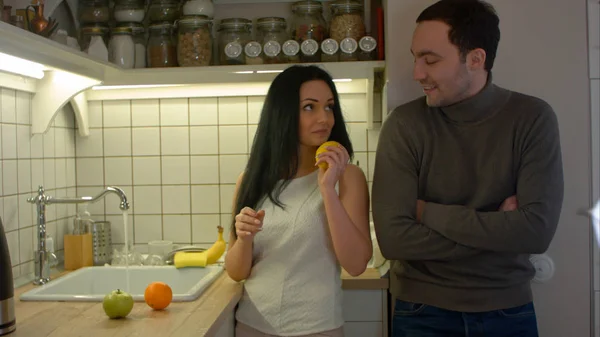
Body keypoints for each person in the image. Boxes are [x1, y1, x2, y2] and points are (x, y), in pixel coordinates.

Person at [372, 0, 564, 336]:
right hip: (420, 312)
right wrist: (500, 231)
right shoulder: (405, 124)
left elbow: (536, 232)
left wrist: (427, 212)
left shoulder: (532, 118)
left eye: (430, 60)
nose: (417, 73)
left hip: (508, 313)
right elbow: (393, 240)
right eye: (416, 58)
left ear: (476, 59)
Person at [225, 65, 372, 337]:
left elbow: (356, 264)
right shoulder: (250, 180)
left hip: (317, 328)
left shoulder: (347, 177)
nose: (324, 118)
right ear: (282, 114)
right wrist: (244, 238)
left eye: (329, 107)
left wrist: (328, 189)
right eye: (309, 107)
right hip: (252, 325)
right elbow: (236, 272)